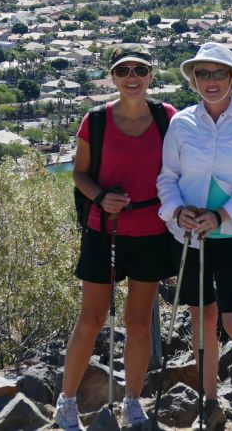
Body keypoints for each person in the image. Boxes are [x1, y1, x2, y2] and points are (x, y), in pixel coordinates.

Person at [157, 42, 232, 430]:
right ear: (194, 79)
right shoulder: (181, 124)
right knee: (201, 319)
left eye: (219, 74)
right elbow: (167, 178)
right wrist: (177, 211)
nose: (211, 81)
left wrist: (221, 216)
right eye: (204, 74)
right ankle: (209, 402)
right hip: (190, 236)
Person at [55, 44, 177, 431]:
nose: (132, 77)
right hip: (104, 229)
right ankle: (67, 401)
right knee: (90, 319)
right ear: (113, 77)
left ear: (151, 76)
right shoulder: (95, 121)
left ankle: (132, 401)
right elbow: (80, 173)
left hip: (151, 230)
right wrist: (101, 198)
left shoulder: (167, 118)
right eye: (124, 71)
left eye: (140, 70)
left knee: (139, 322)